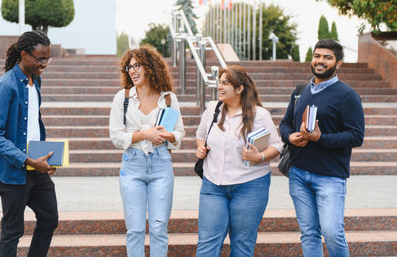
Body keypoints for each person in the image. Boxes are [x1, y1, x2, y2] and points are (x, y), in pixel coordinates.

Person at [279, 39, 365, 257]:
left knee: (332, 232)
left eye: (327, 57)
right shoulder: (300, 91)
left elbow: (356, 136)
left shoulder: (347, 95)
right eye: (317, 56)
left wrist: (320, 138)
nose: (320, 61)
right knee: (308, 232)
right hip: (298, 173)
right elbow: (285, 123)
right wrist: (291, 137)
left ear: (339, 64)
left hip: (330, 176)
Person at [195, 65, 283, 256]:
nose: (220, 86)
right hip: (213, 185)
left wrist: (258, 156)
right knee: (207, 243)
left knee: (242, 243)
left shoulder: (259, 114)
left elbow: (276, 145)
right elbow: (201, 135)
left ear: (239, 88)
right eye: (219, 82)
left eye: (225, 83)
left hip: (250, 185)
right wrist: (200, 147)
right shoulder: (212, 109)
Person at [0, 30, 58, 257]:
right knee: (12, 231)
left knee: (49, 218)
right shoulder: (5, 86)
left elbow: (32, 123)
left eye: (48, 58)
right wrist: (28, 160)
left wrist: (46, 156)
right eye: (40, 58)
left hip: (35, 167)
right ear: (24, 55)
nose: (45, 63)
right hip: (12, 171)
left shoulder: (35, 81)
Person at [109, 46, 185, 257]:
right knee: (135, 229)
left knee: (159, 229)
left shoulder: (168, 98)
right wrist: (145, 135)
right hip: (132, 165)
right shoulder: (122, 98)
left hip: (161, 164)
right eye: (129, 67)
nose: (132, 71)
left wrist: (167, 135)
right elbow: (116, 137)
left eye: (137, 66)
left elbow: (179, 133)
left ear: (150, 68)